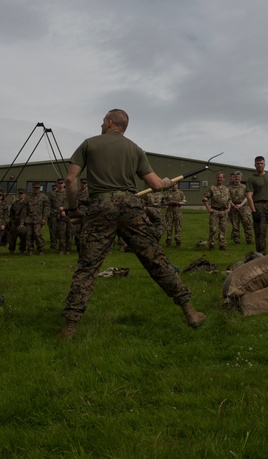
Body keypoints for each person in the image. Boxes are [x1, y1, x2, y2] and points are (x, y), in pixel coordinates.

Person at [59, 109, 205, 338]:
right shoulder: (135, 148)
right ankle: (190, 311)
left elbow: (70, 180)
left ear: (109, 122)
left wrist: (73, 208)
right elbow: (156, 185)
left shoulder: (89, 144)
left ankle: (69, 327)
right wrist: (167, 182)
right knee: (155, 259)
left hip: (100, 207)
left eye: (102, 121)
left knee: (87, 268)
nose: (100, 125)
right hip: (130, 207)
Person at [202, 172, 231, 250]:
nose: (220, 179)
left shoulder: (227, 189)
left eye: (221, 177)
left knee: (223, 229)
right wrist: (208, 208)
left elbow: (229, 200)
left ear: (224, 179)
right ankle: (211, 245)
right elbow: (205, 199)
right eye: (218, 177)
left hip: (224, 212)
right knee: (213, 229)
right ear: (216, 178)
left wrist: (228, 208)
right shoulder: (212, 188)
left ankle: (222, 245)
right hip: (214, 211)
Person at [228, 171, 253, 245]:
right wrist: (233, 205)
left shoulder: (245, 187)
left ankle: (249, 239)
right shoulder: (229, 188)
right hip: (234, 208)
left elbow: (247, 197)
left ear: (241, 178)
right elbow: (228, 198)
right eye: (236, 177)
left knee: (247, 223)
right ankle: (237, 241)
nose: (237, 178)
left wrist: (241, 205)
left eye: (239, 177)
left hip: (244, 207)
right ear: (234, 177)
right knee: (235, 225)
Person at [26, 182, 50, 254]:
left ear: (39, 188)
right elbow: (25, 209)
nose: (36, 189)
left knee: (37, 234)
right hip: (29, 219)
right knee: (29, 235)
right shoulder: (28, 197)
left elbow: (46, 208)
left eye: (37, 188)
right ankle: (30, 250)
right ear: (32, 188)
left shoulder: (44, 197)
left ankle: (41, 249)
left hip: (38, 219)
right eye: (35, 188)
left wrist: (44, 218)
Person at [163, 182, 186, 247]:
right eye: (172, 185)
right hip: (169, 210)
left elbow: (184, 202)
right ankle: (169, 241)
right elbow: (164, 202)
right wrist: (169, 202)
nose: (173, 186)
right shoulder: (168, 193)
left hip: (177, 210)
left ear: (177, 185)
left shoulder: (180, 193)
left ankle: (178, 242)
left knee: (178, 226)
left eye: (175, 185)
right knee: (169, 226)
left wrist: (178, 203)